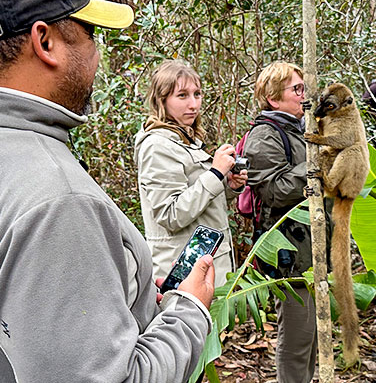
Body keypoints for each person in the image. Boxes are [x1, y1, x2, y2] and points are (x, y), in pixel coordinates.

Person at [0, 0, 215, 382]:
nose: (96, 54)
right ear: (46, 41)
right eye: (89, 33)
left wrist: (126, 288)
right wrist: (188, 311)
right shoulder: (58, 203)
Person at [243, 61, 324, 383]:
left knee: (311, 336)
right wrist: (317, 164)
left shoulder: (300, 130)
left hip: (312, 248)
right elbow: (274, 191)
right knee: (297, 339)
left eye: (304, 88)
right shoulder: (264, 135)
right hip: (289, 252)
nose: (304, 96)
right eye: (296, 89)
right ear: (273, 98)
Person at [134, 60, 247, 288]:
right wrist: (215, 173)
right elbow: (170, 215)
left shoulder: (185, 140)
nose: (194, 104)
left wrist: (228, 185)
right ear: (162, 100)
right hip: (184, 273)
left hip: (205, 268)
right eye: (182, 95)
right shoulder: (157, 146)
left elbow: (198, 204)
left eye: (197, 94)